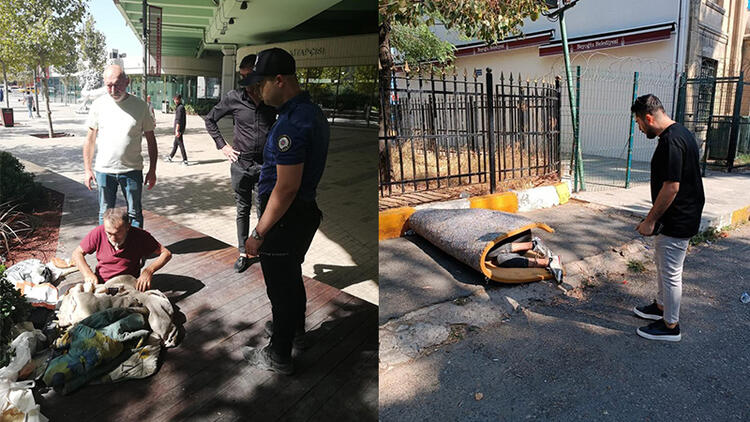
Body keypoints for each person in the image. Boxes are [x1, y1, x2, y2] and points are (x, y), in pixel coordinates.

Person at [240, 48, 328, 375]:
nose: (257, 90)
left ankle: (278, 354)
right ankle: (295, 331)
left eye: (261, 83)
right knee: (291, 277)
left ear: (279, 80)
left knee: (280, 289)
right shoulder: (310, 112)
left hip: (285, 218)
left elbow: (286, 188)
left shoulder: (291, 123)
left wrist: (258, 233)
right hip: (301, 213)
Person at [631, 94, 705, 342]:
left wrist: (650, 220)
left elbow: (671, 187)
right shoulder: (680, 133)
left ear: (648, 118)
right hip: (679, 215)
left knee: (671, 272)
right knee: (663, 263)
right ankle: (661, 307)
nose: (640, 128)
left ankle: (670, 326)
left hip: (678, 218)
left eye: (639, 123)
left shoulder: (671, 141)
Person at [204, 54, 277, 273]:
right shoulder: (234, 97)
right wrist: (223, 146)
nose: (247, 83)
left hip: (265, 166)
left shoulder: (270, 99)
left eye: (250, 77)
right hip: (241, 165)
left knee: (264, 210)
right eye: (243, 77)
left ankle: (263, 249)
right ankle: (243, 252)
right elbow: (210, 119)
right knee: (242, 209)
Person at [83, 64, 158, 228]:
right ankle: (107, 244)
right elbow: (90, 140)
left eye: (117, 85)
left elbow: (151, 140)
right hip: (104, 170)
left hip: (132, 170)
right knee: (104, 213)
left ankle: (135, 244)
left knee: (135, 213)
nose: (113, 90)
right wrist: (87, 169)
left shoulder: (140, 106)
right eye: (108, 85)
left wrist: (152, 170)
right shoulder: (98, 105)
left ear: (127, 82)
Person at [71, 208, 172, 292]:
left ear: (128, 226)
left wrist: (149, 270)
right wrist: (87, 273)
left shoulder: (140, 236)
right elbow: (77, 253)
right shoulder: (98, 232)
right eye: (109, 233)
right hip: (102, 283)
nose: (113, 238)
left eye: (118, 233)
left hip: (128, 284)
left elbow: (166, 253)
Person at [487, 236, 563, 283]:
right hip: (505, 243)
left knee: (489, 253)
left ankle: (532, 244)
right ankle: (548, 262)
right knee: (500, 259)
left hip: (518, 237)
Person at [165, 94, 188, 165]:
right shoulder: (181, 107)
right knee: (175, 144)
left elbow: (178, 120)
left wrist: (177, 130)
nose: (174, 101)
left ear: (178, 100)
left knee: (180, 144)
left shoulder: (180, 108)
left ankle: (185, 160)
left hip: (179, 129)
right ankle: (170, 157)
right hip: (180, 129)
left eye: (175, 99)